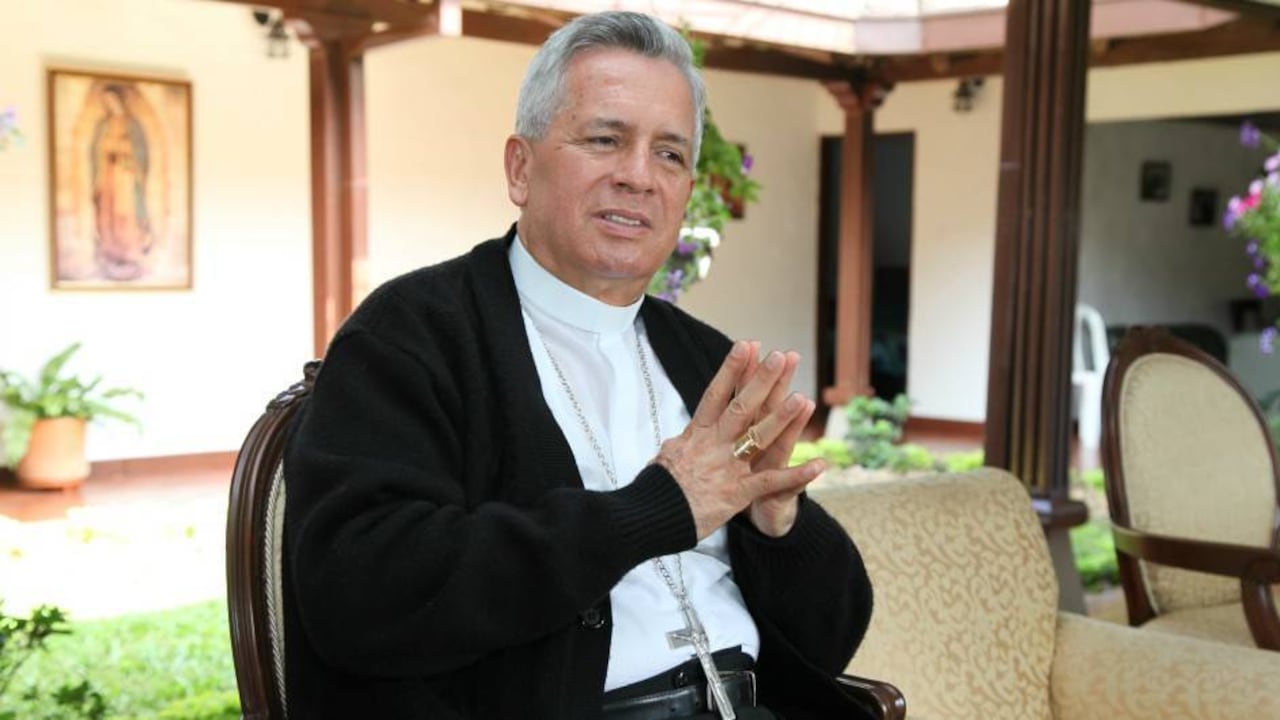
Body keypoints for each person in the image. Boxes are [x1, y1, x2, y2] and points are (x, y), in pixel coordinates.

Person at [283, 11, 873, 720]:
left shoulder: (708, 361)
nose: (638, 177)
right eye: (605, 139)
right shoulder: (411, 337)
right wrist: (651, 512)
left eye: (669, 154)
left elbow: (829, 642)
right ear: (520, 168)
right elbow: (359, 594)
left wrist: (778, 523)